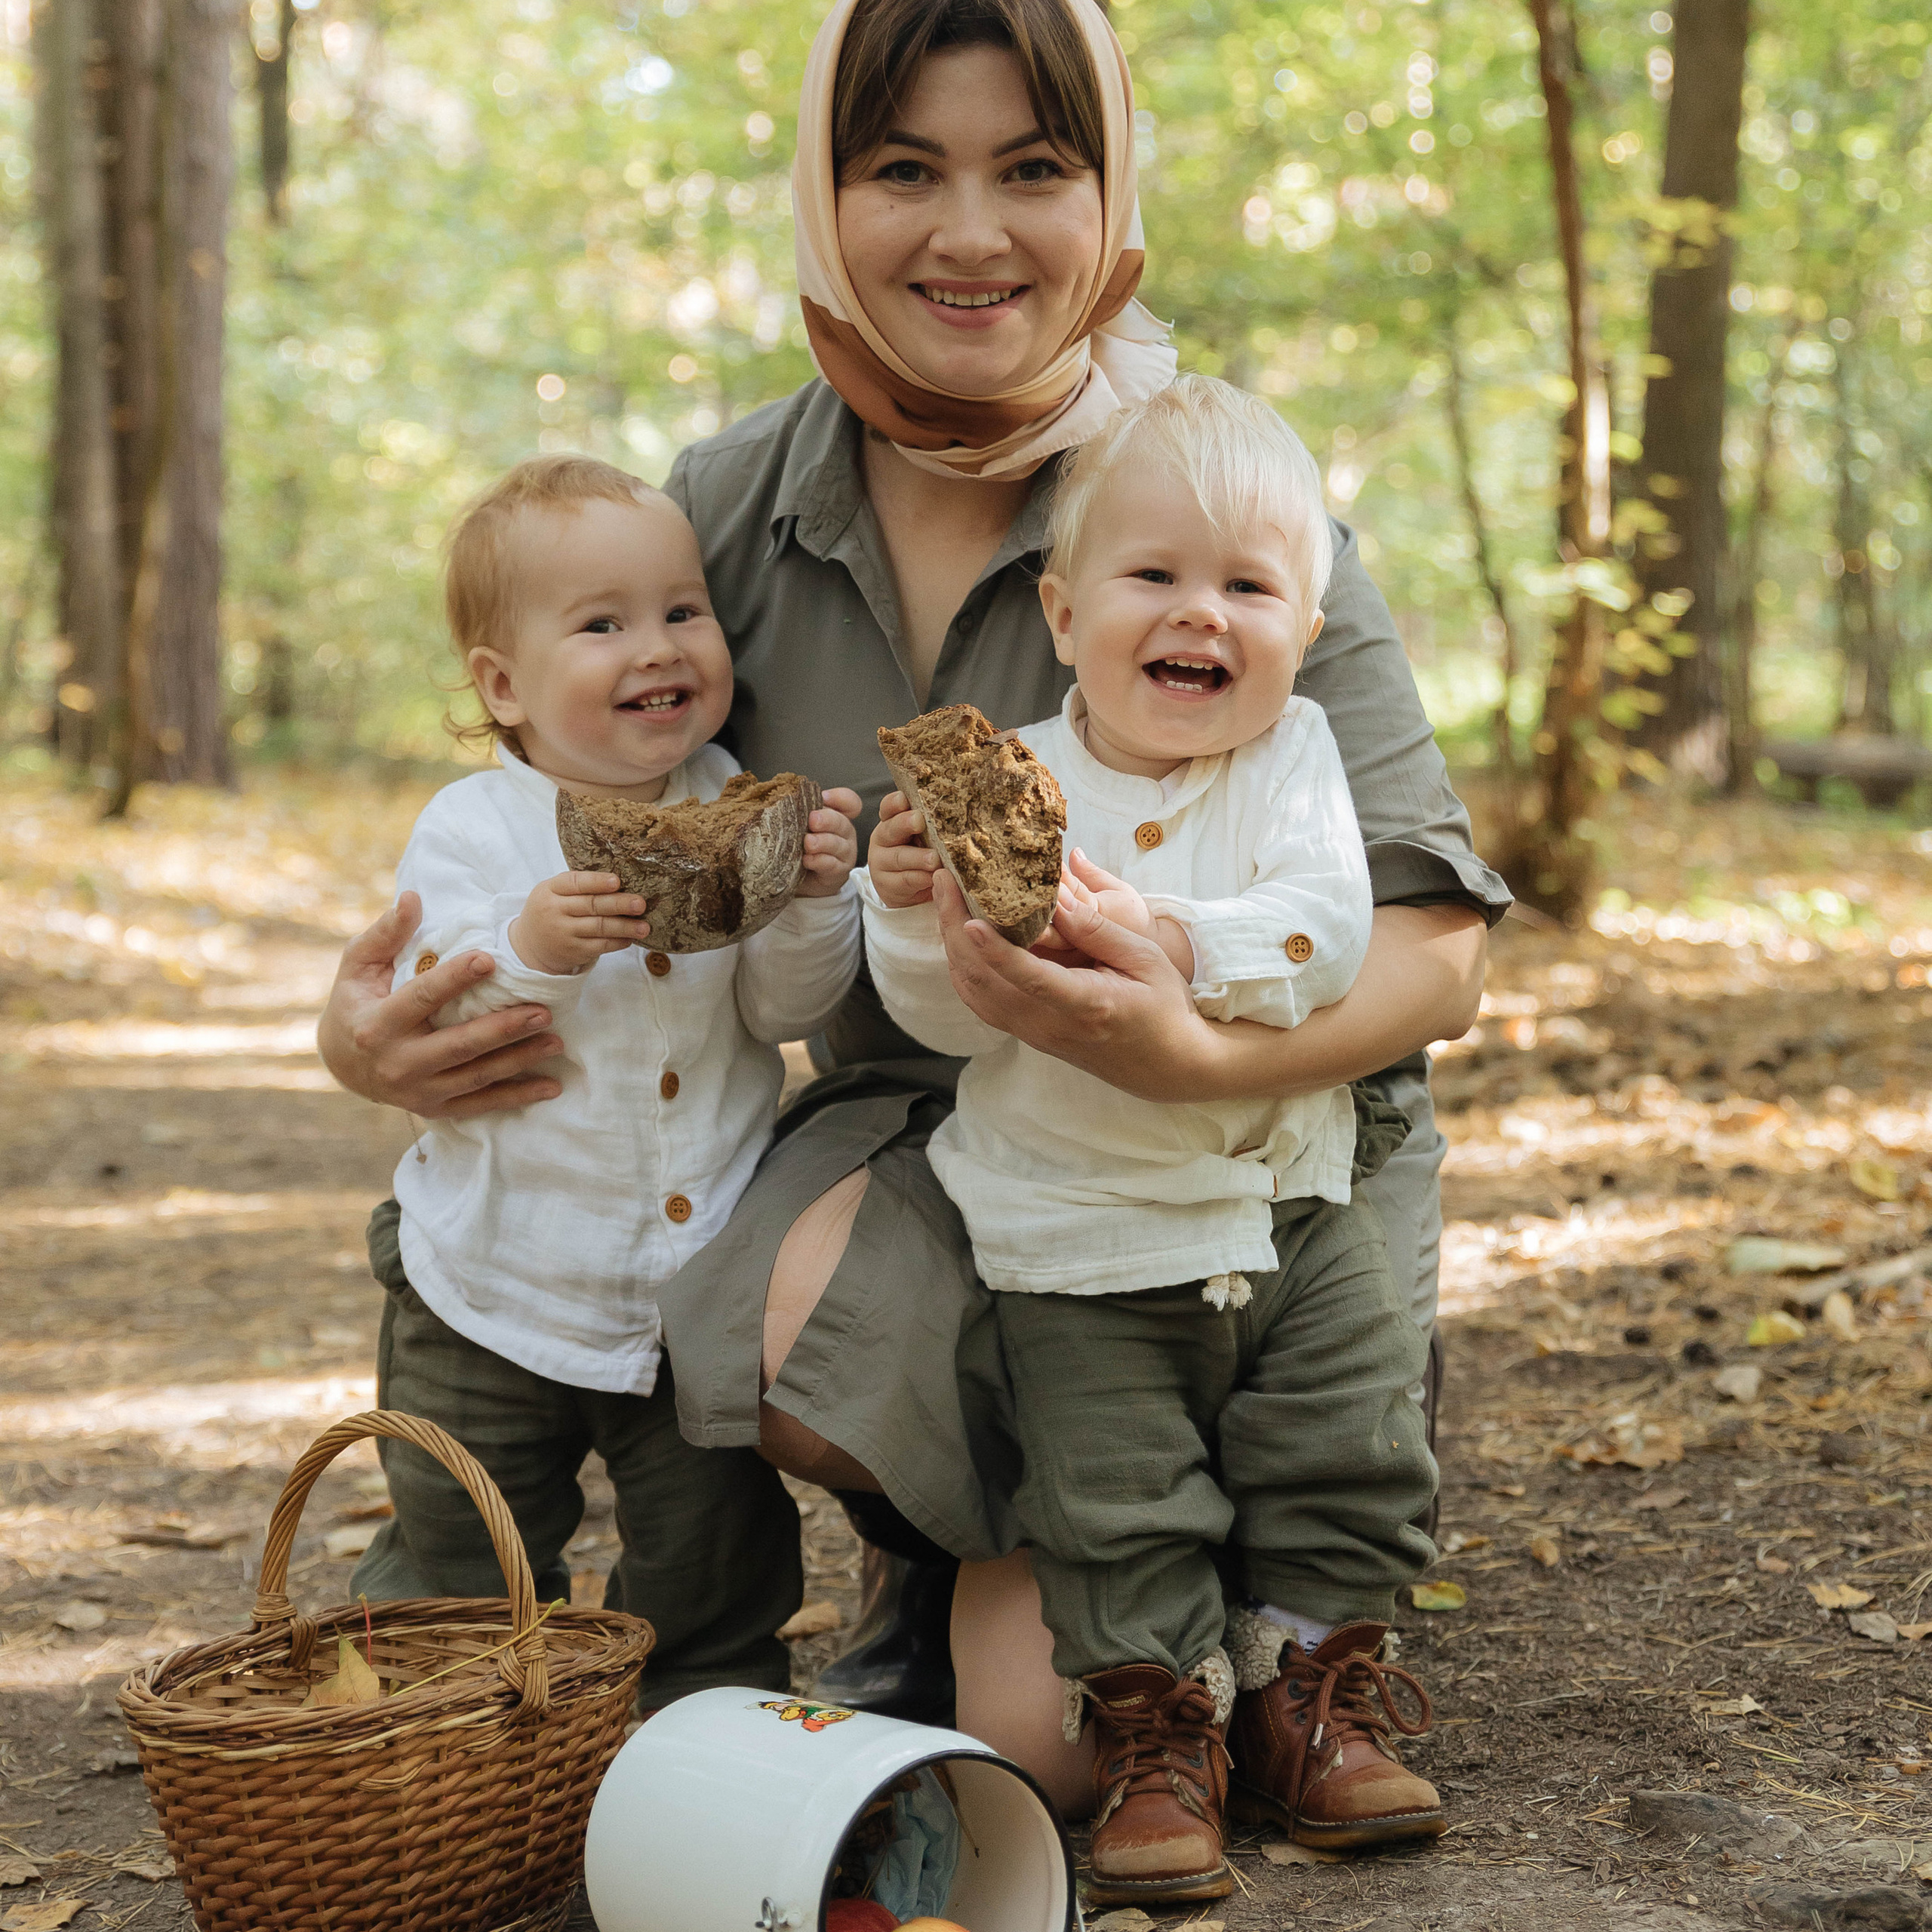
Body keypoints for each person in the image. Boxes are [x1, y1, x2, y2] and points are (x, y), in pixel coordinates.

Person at [316, 0, 1508, 1797]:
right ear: (823, 194)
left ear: (1106, 194)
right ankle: (990, 1537)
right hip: (940, 1123)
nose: (969, 233)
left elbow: (1433, 951)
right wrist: (369, 1040)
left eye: (1031, 168)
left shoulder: (1219, 500)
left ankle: (1256, 1524)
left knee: (1043, 1749)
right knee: (784, 1349)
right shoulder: (728, 509)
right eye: (900, 169)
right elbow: (562, 789)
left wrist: (1183, 1049)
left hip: (1245, 1130)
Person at [861, 377, 1442, 1901]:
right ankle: (1157, 1734)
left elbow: (1323, 927)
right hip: (1080, 1230)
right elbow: (938, 1018)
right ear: (1063, 615)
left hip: (1292, 1200)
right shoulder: (1016, 783)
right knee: (1113, 1501)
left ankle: (1315, 1693)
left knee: (1347, 1446)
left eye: (1249, 586)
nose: (1202, 613)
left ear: (1305, 628)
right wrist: (909, 909)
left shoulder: (1294, 755)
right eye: (1155, 575)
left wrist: (1171, 940)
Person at [346, 455, 864, 1706]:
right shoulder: (476, 827)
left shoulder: (736, 800)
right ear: (503, 685)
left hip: (690, 1285)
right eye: (602, 625)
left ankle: (699, 1722)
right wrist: (530, 948)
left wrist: (808, 900)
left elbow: (782, 1012)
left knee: (713, 1556)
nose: (659, 646)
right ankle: (451, 1732)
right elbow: (436, 1011)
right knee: (459, 1547)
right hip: (493, 1274)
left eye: (684, 610)